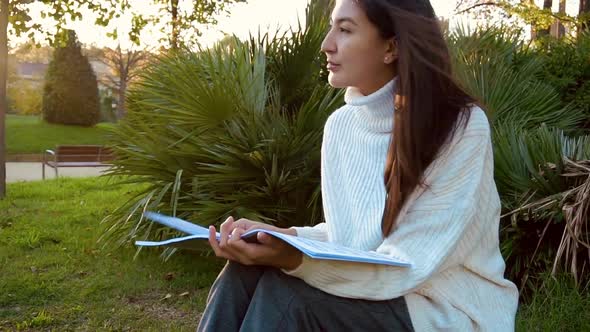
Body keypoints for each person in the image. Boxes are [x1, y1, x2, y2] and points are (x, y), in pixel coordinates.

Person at [198, 0, 519, 331]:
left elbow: (407, 263)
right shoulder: (341, 125)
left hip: (444, 309)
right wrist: (283, 237)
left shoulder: (459, 127)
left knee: (289, 296)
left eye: (345, 30)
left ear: (391, 47)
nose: (327, 44)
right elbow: (354, 240)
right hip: (376, 293)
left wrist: (294, 259)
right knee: (243, 271)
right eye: (331, 27)